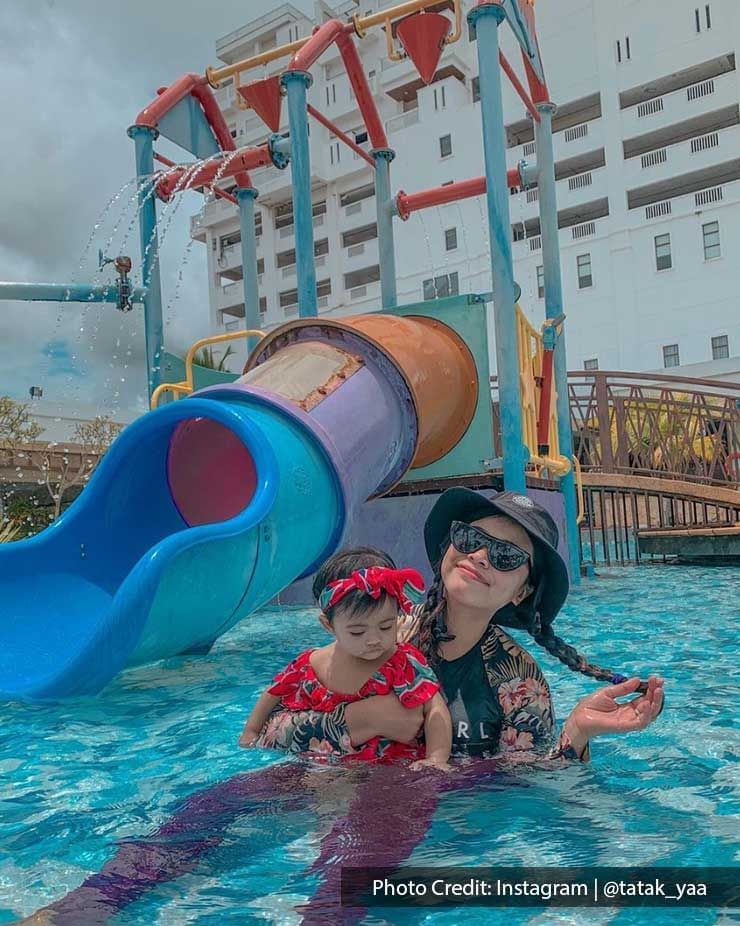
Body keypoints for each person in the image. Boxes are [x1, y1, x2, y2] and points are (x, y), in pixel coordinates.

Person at [259, 488, 665, 762]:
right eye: (471, 538)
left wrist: (577, 731)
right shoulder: (379, 632)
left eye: (506, 554)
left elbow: (530, 788)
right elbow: (265, 737)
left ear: (522, 592)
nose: (482, 555)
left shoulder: (517, 683)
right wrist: (361, 720)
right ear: (447, 551)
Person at [239, 548, 453, 770]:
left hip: (388, 769)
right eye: (357, 632)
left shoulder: (403, 663)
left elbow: (435, 710)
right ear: (328, 625)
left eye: (386, 626)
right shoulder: (310, 664)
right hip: (324, 768)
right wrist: (251, 732)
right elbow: (272, 693)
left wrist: (436, 758)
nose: (374, 640)